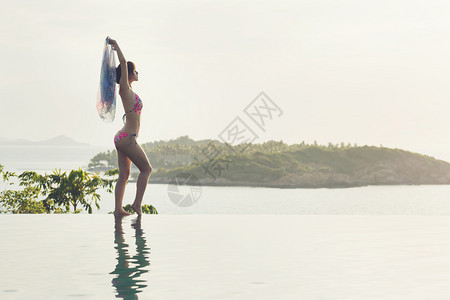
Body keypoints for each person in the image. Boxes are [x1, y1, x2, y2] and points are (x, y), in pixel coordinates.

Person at [108, 38, 152, 217]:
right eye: (135, 71)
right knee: (146, 169)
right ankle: (137, 204)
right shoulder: (124, 89)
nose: (137, 72)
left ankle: (118, 210)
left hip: (123, 137)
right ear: (129, 74)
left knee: (124, 175)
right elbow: (124, 62)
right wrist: (116, 45)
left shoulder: (131, 91)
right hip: (127, 137)